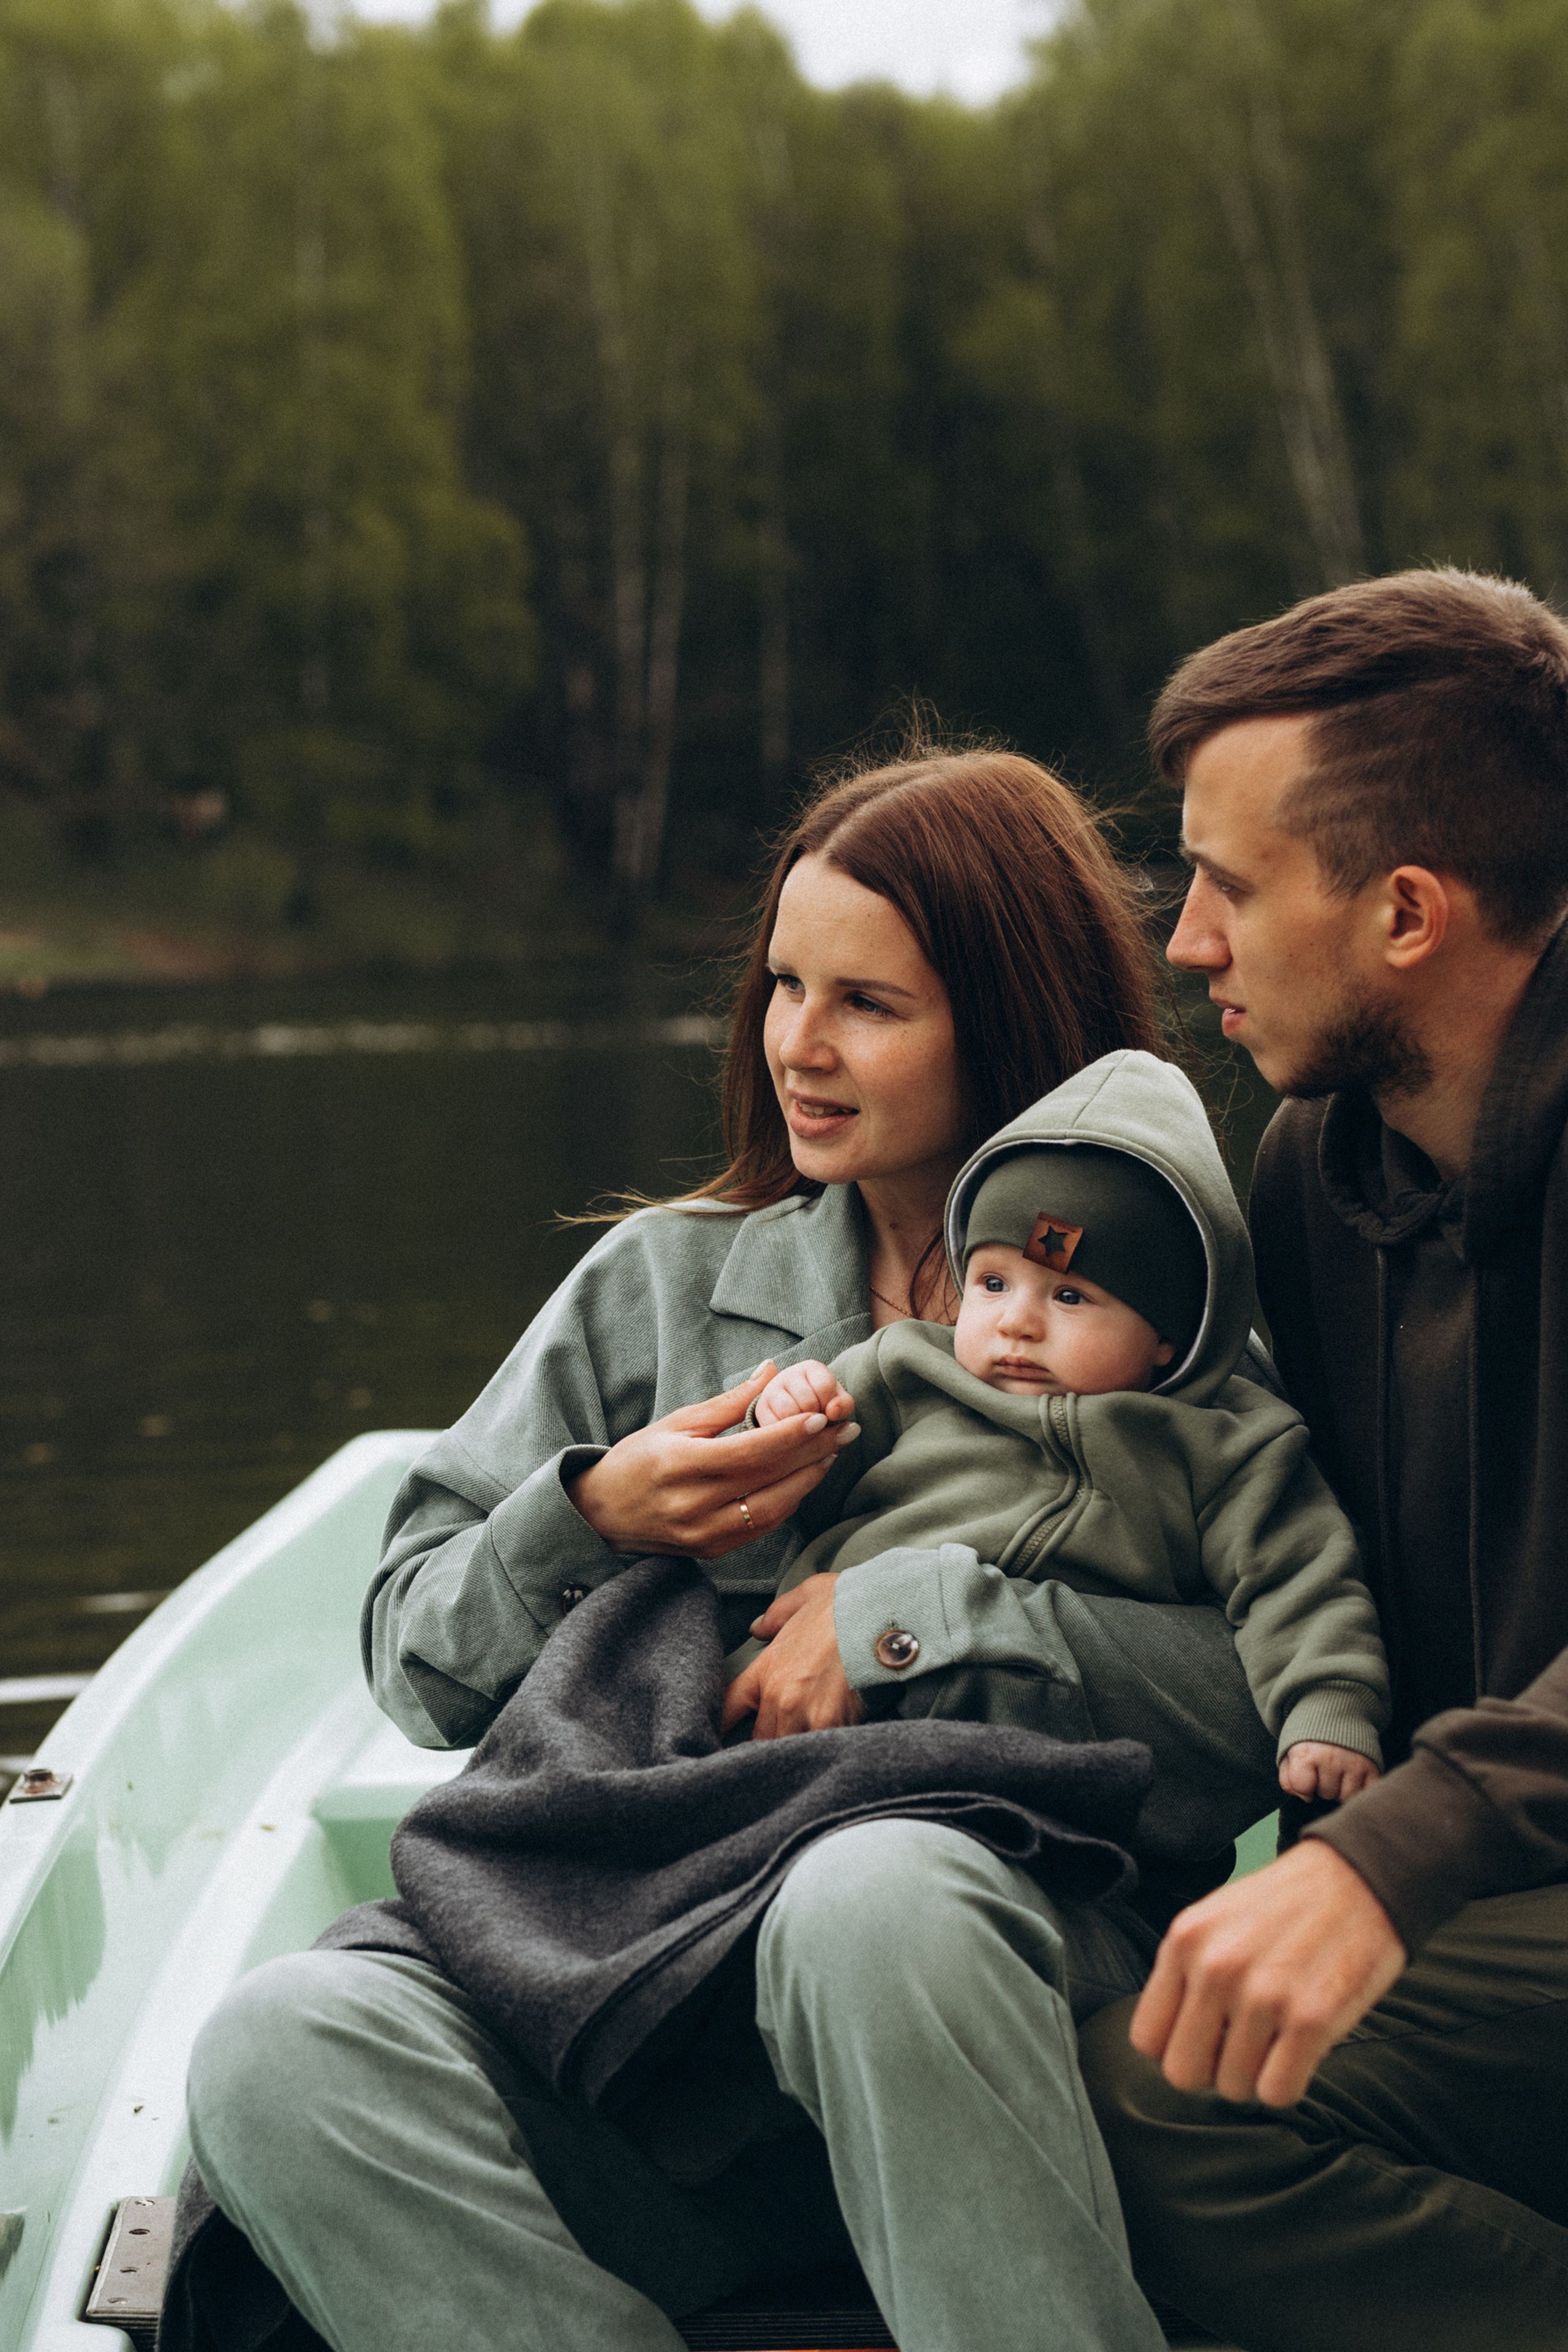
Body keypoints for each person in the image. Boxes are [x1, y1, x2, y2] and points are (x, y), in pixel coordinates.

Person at [183, 747, 1278, 2352]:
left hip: (1004, 2007)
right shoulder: (654, 1287)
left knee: (868, 1895)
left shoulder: (1174, 1313)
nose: (797, 1046)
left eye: (868, 1004)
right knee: (277, 2043)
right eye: (783, 984)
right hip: (630, 1977)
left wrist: (922, 1617)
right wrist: (593, 1515)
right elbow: (414, 1663)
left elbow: (1265, 1714)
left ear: (1006, 1018)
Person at [1077, 568, 1568, 2352]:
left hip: (1488, 1854)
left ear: (1404, 910)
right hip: (1507, 1874)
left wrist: (1383, 1862)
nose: (1184, 941)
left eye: (1225, 882)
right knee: (1127, 2051)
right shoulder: (1313, 1162)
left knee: (1165, 2102)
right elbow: (1264, 1530)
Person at [729, 1047, 1387, 1811]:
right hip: (807, 1680)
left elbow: (1298, 1580)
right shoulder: (905, 1369)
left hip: (1020, 1734)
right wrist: (784, 1412)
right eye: (992, 1283)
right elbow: (788, 1479)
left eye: (1069, 1296)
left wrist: (1327, 1712)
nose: (1017, 1322)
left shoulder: (1228, 1449)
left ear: (1167, 1336)